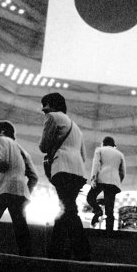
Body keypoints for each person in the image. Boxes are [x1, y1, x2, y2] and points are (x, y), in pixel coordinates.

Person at [39, 92, 90, 261]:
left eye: (45, 104)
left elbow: (43, 145)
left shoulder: (53, 117)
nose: (43, 109)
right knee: (65, 208)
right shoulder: (76, 127)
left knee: (68, 210)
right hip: (78, 171)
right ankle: (55, 251)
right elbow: (84, 156)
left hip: (62, 168)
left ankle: (83, 251)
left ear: (53, 105)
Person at [0, 121, 38, 256]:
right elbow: (34, 177)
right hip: (20, 192)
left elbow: (3, 162)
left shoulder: (2, 140)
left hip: (2, 190)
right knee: (21, 228)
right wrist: (26, 192)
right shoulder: (24, 152)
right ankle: (27, 259)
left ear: (2, 131)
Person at [87, 136, 126, 233]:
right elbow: (123, 171)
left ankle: (98, 210)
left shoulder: (99, 150)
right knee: (110, 209)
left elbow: (96, 164)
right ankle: (110, 232)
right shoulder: (120, 154)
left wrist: (93, 178)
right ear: (114, 145)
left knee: (90, 198)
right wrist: (118, 180)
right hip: (114, 182)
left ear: (103, 143)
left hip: (102, 179)